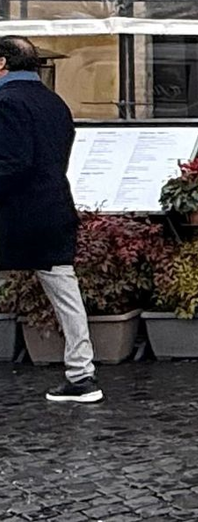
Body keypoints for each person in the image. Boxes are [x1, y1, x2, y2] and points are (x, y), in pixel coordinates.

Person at [0, 36, 102, 403]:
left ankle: (82, 376)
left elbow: (12, 163)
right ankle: (82, 375)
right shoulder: (55, 102)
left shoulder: (6, 102)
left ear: (1, 63)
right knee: (66, 293)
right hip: (55, 210)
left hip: (13, 215)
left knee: (64, 291)